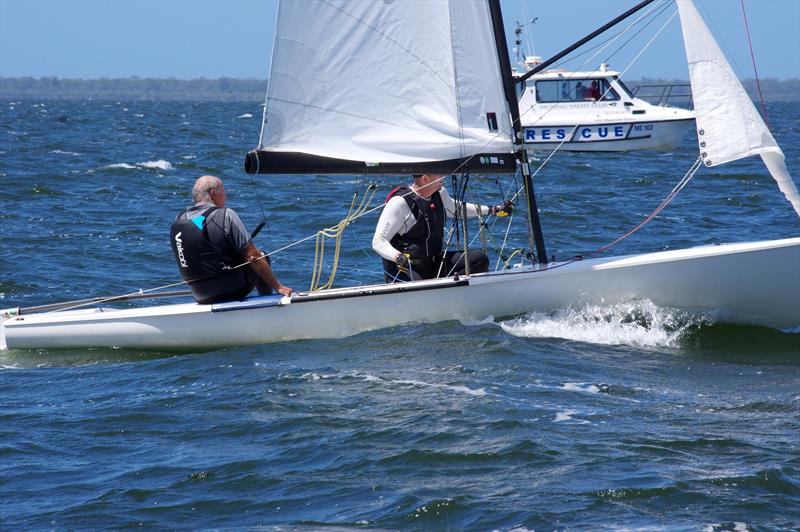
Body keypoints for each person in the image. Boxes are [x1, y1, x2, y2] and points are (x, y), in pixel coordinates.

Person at [170, 175, 293, 304]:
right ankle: (268, 304)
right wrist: (278, 286)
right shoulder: (226, 215)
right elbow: (252, 257)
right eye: (224, 193)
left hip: (199, 294)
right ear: (213, 193)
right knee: (262, 256)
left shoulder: (179, 219)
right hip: (229, 290)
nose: (226, 197)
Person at [372, 173, 513, 283]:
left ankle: (453, 291)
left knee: (479, 259)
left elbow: (457, 209)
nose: (443, 178)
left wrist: (493, 209)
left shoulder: (440, 194)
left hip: (434, 263)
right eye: (439, 175)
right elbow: (378, 241)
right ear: (425, 179)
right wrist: (396, 256)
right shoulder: (399, 203)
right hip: (406, 268)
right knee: (420, 290)